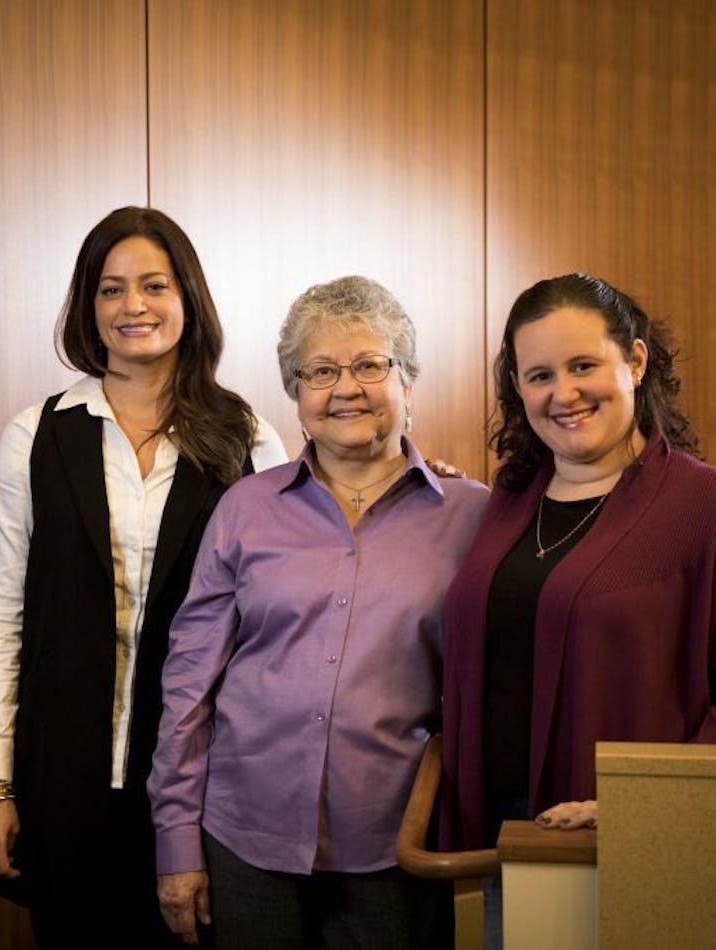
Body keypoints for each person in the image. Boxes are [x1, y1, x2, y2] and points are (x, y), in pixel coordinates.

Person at [439, 273, 716, 944]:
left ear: (635, 362)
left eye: (584, 366)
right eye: (539, 375)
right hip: (493, 844)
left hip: (631, 855)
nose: (564, 394)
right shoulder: (508, 501)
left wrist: (640, 803)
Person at [0, 207, 287, 948]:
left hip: (200, 790)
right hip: (60, 786)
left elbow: (287, 609)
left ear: (188, 299)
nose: (132, 307)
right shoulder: (35, 435)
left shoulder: (248, 438)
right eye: (111, 290)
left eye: (153, 285)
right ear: (88, 305)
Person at [149, 276, 490, 949]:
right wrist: (176, 842)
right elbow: (188, 689)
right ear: (297, 392)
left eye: (370, 365)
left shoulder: (475, 516)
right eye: (321, 371)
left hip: (397, 849)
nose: (346, 388)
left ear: (408, 379)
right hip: (245, 843)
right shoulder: (245, 508)